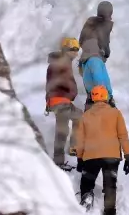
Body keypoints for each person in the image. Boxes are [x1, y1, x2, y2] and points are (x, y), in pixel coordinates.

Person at [75, 85, 129, 215]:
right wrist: (128, 156)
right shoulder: (116, 113)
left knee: (87, 182)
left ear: (93, 98)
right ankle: (110, 211)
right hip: (111, 157)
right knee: (110, 185)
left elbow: (80, 139)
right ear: (106, 97)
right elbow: (123, 135)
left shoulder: (86, 116)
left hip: (91, 156)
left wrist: (79, 158)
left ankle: (87, 198)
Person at [45, 37, 82, 170]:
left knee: (79, 117)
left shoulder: (60, 62)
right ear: (67, 49)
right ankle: (59, 162)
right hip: (60, 100)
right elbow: (65, 82)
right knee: (62, 131)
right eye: (74, 50)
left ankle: (73, 147)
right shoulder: (63, 62)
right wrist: (72, 91)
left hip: (60, 100)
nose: (76, 53)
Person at [78, 1, 115, 109]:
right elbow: (104, 43)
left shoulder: (89, 22)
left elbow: (81, 41)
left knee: (91, 95)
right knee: (101, 91)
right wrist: (106, 53)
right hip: (95, 59)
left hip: (84, 61)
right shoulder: (105, 24)